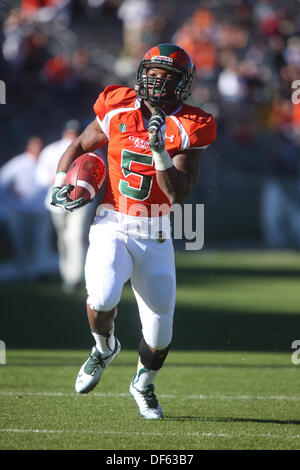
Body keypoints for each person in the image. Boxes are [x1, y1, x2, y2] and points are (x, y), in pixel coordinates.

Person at [51, 44, 217, 419]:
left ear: (182, 84)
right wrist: (61, 180)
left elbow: (179, 194)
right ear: (142, 73)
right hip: (112, 222)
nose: (157, 83)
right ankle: (104, 346)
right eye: (153, 74)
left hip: (156, 231)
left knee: (160, 335)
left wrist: (160, 153)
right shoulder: (117, 105)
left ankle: (142, 384)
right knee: (102, 296)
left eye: (167, 77)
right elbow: (79, 144)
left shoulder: (192, 124)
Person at [35, 120, 98, 292]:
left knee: (75, 237)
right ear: (64, 133)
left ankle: (75, 277)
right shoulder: (51, 150)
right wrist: (61, 181)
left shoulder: (89, 151)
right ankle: (67, 275)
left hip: (80, 201)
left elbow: (99, 175)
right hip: (56, 201)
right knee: (63, 239)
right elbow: (40, 178)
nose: (72, 135)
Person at [0, 136, 55, 280]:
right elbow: (3, 181)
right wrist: (12, 196)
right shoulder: (19, 163)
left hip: (41, 209)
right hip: (20, 210)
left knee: (41, 240)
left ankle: (40, 271)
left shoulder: (45, 162)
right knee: (23, 241)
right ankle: (24, 271)